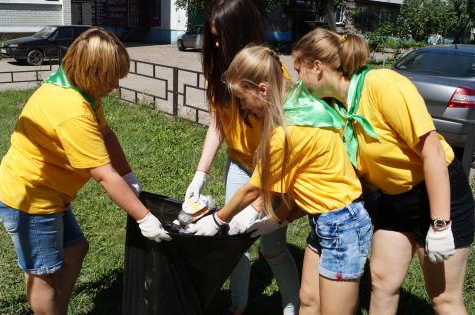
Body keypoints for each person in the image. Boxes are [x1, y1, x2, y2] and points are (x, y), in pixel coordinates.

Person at [292, 28, 475, 315]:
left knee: (443, 299)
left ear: (316, 67)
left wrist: (440, 224)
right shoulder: (338, 109)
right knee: (382, 282)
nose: (297, 80)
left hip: (438, 192)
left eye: (298, 69)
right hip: (395, 198)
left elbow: (433, 152)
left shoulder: (382, 85)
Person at [0, 27, 170, 315]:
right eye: (111, 78)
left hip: (50, 193)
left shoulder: (77, 87)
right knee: (43, 274)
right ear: (93, 72)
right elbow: (102, 174)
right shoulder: (71, 109)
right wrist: (144, 218)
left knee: (75, 249)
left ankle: (56, 306)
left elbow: (106, 135)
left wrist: (129, 177)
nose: (115, 86)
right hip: (32, 200)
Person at [189, 45, 373, 315]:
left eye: (242, 98)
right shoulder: (299, 99)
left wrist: (218, 220)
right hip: (324, 220)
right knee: (308, 300)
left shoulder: (285, 133)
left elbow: (253, 190)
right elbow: (297, 183)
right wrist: (277, 219)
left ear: (262, 90)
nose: (242, 106)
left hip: (342, 224)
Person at [183, 0, 300, 314]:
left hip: (273, 170)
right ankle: (238, 305)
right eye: (213, 37)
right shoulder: (221, 69)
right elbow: (217, 124)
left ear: (241, 33)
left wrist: (260, 203)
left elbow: (282, 145)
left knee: (272, 247)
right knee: (234, 240)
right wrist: (200, 174)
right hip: (239, 163)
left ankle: (293, 305)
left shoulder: (272, 73)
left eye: (221, 37)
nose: (217, 44)